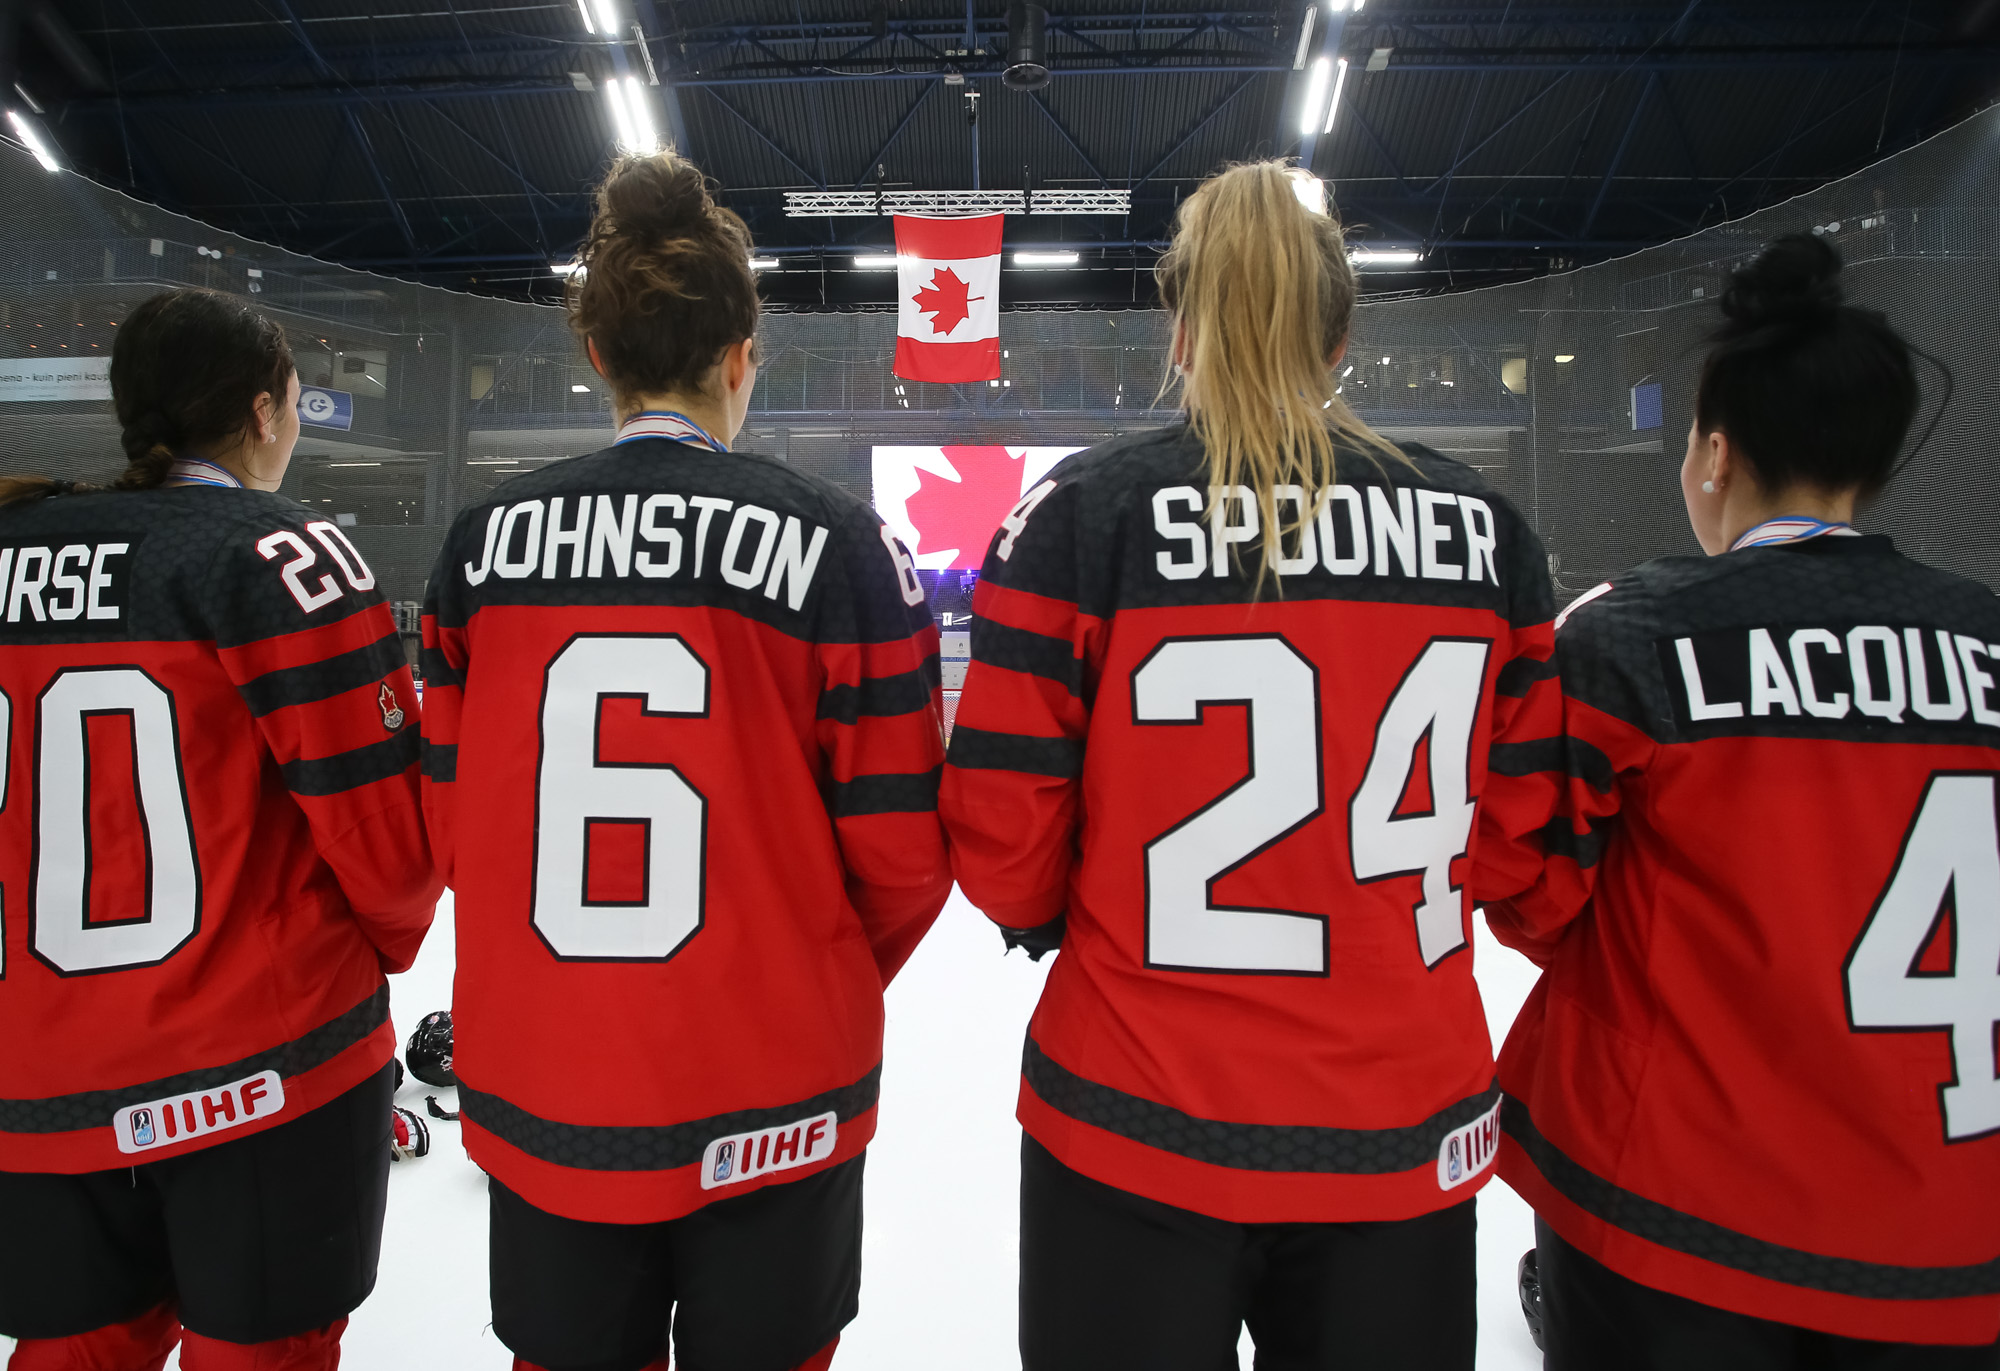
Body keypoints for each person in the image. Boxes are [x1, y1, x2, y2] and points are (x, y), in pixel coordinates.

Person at [939, 161, 1561, 1370]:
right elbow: (1513, 842)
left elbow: (1002, 837)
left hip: (1133, 1112)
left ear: (1178, 330)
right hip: (1397, 1118)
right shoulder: (1488, 533)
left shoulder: (1080, 514)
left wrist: (1072, 911)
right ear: (1341, 338)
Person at [420, 150, 952, 1371]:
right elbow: (904, 859)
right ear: (741, 357)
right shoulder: (842, 545)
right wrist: (801, 961)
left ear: (595, 355)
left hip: (549, 1076)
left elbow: (454, 823)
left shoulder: (478, 547)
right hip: (774, 1086)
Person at [1483, 236, 2000, 1366]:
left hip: (1676, 1216)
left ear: (1714, 455)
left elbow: (1524, 885)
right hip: (1953, 1222)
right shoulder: (1986, 638)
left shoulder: (1631, 635)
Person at [0, 288, 439, 1370]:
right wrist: (388, 944)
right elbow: (389, 848)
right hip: (262, 1076)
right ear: (263, 412)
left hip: (38, 1074)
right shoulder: (284, 554)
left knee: (70, 1354)